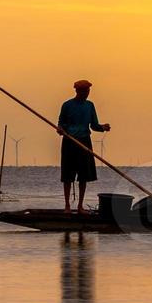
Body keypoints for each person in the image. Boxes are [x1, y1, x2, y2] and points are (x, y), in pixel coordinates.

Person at [58, 79, 110, 213]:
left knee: (83, 176)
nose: (86, 94)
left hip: (84, 141)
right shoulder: (67, 105)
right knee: (68, 176)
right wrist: (60, 130)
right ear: (77, 91)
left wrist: (102, 127)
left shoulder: (89, 106)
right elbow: (61, 123)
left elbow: (94, 125)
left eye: (87, 91)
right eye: (83, 91)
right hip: (70, 141)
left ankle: (80, 206)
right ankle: (67, 206)